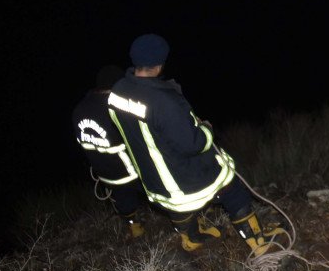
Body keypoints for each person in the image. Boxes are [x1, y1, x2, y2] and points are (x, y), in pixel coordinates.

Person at [107, 33, 281, 255]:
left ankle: (191, 238)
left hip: (154, 183)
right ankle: (259, 243)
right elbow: (193, 144)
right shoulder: (163, 101)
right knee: (232, 187)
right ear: (160, 65)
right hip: (183, 184)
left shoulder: (117, 93)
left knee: (179, 207)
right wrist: (206, 128)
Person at [72, 64, 149, 239]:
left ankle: (134, 227)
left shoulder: (78, 109)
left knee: (123, 199)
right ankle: (181, 220)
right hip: (130, 171)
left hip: (104, 172)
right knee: (153, 191)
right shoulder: (115, 107)